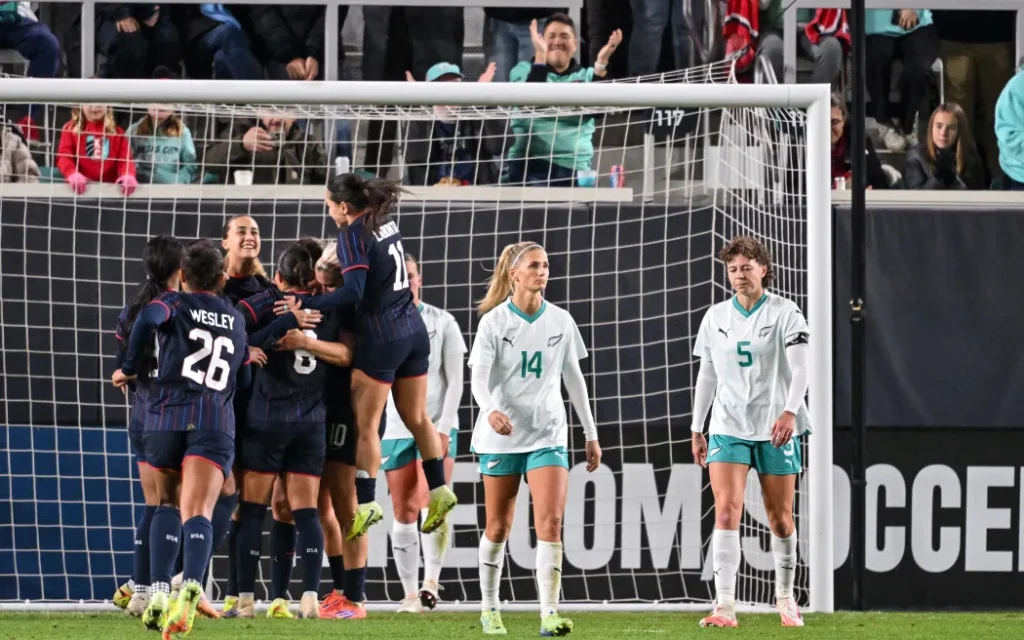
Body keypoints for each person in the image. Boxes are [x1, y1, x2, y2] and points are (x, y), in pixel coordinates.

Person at [262, 173, 458, 542]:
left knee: (365, 425)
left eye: (329, 205)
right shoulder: (384, 221)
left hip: (382, 336)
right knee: (417, 417)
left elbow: (352, 293)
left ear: (344, 206)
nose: (329, 211)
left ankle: (366, 505)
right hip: (413, 328)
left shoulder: (352, 235)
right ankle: (440, 490)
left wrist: (307, 302)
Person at [112, 239, 250, 637]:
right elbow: (244, 375)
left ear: (184, 276)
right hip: (214, 419)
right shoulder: (237, 318)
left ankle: (156, 591)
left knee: (165, 503)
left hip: (166, 416)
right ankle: (191, 584)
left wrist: (130, 365)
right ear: (223, 277)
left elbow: (147, 319)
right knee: (200, 512)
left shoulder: (172, 302)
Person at [469, 241, 601, 636]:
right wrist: (489, 409)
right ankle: (490, 608)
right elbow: (477, 376)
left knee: (551, 521)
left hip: (548, 434)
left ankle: (549, 613)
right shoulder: (493, 322)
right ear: (515, 274)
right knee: (498, 527)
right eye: (534, 265)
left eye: (545, 265)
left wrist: (590, 433)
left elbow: (574, 380)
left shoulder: (561, 320)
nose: (542, 271)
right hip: (502, 438)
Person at [689, 236, 810, 629]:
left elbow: (801, 368)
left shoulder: (785, 312)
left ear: (764, 269)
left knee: (780, 520)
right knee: (726, 510)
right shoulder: (715, 317)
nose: (739, 275)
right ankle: (724, 605)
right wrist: (697, 426)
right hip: (727, 427)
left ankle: (787, 597)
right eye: (733, 269)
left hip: (775, 427)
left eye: (746, 267)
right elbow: (707, 374)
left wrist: (790, 412)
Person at [233, 243, 344, 620]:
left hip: (265, 419)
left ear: (278, 277)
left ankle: (245, 601)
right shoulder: (329, 308)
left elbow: (233, 326)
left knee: (251, 512)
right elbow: (346, 354)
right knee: (306, 512)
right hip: (310, 423)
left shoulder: (267, 303)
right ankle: (309, 598)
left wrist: (250, 345)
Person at [382, 254, 466, 612]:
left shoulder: (443, 321)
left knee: (431, 502)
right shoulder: (381, 322)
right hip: (394, 428)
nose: (408, 282)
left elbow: (457, 380)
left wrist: (445, 426)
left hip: (434, 426)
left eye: (412, 276)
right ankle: (410, 594)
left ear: (420, 278)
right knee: (402, 510)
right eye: (402, 277)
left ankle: (432, 581)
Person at [111, 236, 184, 617]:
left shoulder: (132, 309)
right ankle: (166, 585)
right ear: (179, 269)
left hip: (142, 411)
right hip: (173, 414)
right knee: (183, 504)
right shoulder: (181, 308)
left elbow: (125, 361)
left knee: (153, 505)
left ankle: (140, 591)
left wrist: (128, 373)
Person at [503, 14, 622, 186]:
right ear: (541, 41)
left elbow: (597, 111)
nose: (557, 41)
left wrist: (602, 63)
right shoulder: (522, 70)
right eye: (551, 36)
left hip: (576, 166)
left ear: (575, 44)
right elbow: (530, 102)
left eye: (564, 36)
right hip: (529, 164)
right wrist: (540, 58)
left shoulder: (588, 75)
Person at [865, 9, 940, 152]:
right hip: (877, 26)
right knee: (875, 59)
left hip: (919, 24)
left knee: (918, 67)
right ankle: (883, 121)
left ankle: (907, 126)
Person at [128, 67, 199, 185]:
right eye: (155, 99)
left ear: (175, 105)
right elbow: (123, 161)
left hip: (170, 192)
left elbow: (191, 166)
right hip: (139, 190)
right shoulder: (134, 130)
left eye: (166, 100)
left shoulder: (183, 132)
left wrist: (178, 180)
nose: (160, 105)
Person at [57, 103, 138, 196]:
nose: (94, 107)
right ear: (80, 105)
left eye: (100, 102)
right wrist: (71, 173)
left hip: (109, 192)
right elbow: (64, 156)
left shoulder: (118, 132)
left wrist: (128, 175)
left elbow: (125, 160)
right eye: (89, 103)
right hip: (79, 191)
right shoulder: (69, 129)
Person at [904, 103, 982, 190]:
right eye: (939, 126)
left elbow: (977, 195)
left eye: (951, 127)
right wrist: (938, 179)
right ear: (931, 128)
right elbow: (916, 198)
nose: (943, 133)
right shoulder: (916, 156)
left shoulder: (970, 155)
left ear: (959, 131)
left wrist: (954, 181)